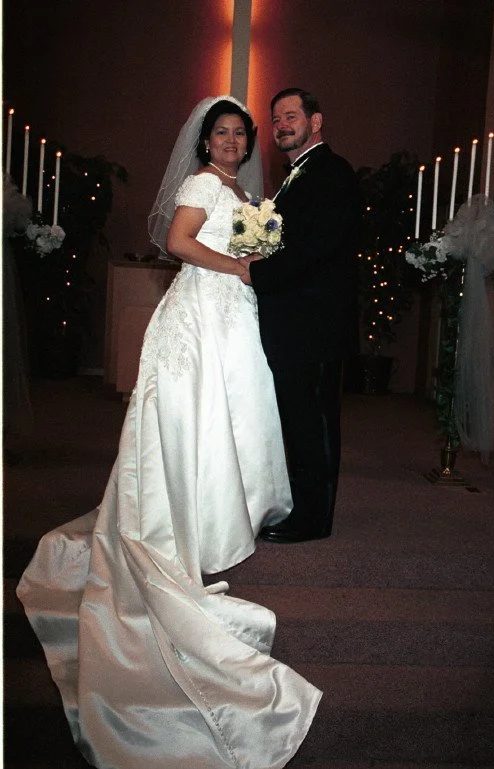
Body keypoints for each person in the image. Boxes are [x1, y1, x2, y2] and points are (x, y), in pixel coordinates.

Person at [17, 95, 321, 769]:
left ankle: (217, 514)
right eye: (222, 131)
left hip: (233, 313)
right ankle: (180, 520)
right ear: (204, 140)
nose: (232, 140)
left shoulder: (241, 188)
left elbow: (243, 245)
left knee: (231, 413)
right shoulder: (197, 184)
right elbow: (179, 242)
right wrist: (236, 264)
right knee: (191, 419)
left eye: (240, 133)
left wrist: (256, 253)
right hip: (198, 313)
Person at [240, 88, 361, 544]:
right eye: (275, 120)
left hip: (316, 325)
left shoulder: (332, 171)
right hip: (298, 324)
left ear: (316, 121)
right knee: (299, 418)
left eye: (291, 116)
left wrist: (257, 271)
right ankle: (303, 506)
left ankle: (314, 518)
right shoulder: (298, 175)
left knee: (314, 420)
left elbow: (318, 247)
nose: (281, 126)